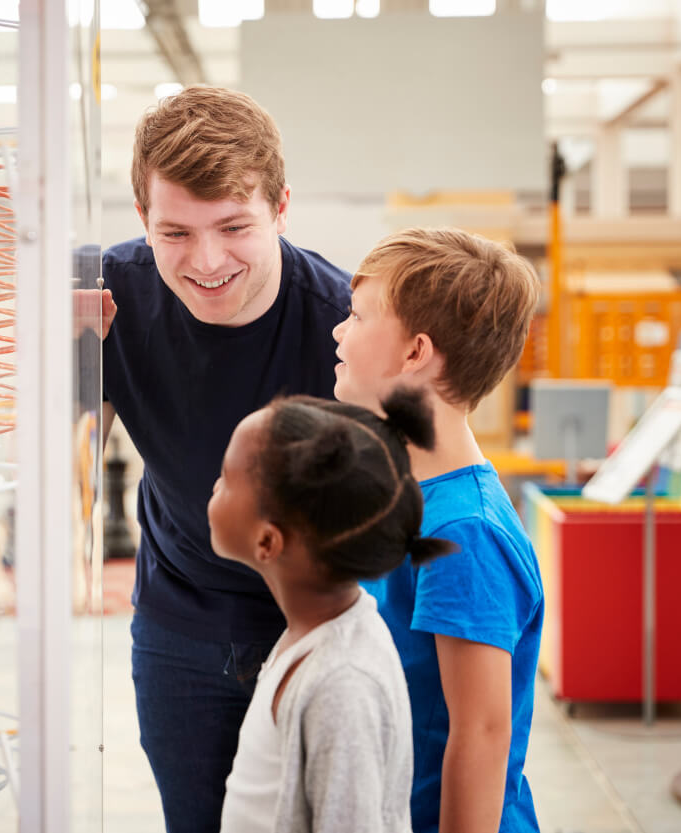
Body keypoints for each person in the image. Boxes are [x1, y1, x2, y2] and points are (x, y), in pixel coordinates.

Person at [101, 85, 352, 831]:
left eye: (233, 226)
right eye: (174, 232)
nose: (206, 260)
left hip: (317, 622)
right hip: (179, 621)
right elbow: (58, 454)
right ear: (143, 218)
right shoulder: (110, 297)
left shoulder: (340, 323)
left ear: (281, 207)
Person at [332, 227, 544, 833]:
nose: (339, 331)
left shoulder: (464, 533)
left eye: (358, 316)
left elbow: (480, 733)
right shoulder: (408, 494)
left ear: (416, 352)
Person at [209, 392, 456, 833]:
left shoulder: (343, 683)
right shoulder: (312, 636)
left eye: (227, 478)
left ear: (268, 542)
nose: (214, 486)